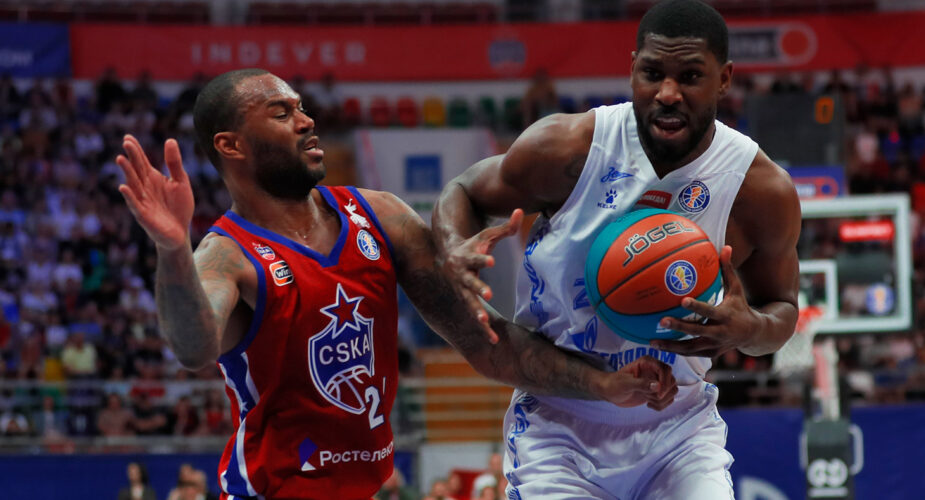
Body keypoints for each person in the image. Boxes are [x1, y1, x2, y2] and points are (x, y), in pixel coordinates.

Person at [116, 68, 677, 498]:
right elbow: (193, 347)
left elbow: (487, 343)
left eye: (302, 107)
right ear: (231, 145)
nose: (306, 121)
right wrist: (172, 249)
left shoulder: (379, 216)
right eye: (280, 113)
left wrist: (603, 383)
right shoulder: (226, 256)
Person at [432, 0, 801, 498]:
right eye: (652, 73)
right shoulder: (568, 148)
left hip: (678, 430)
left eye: (690, 76)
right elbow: (464, 190)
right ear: (632, 70)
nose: (667, 93)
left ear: (725, 79)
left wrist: (750, 328)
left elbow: (782, 311)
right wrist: (453, 248)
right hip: (559, 421)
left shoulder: (759, 189)